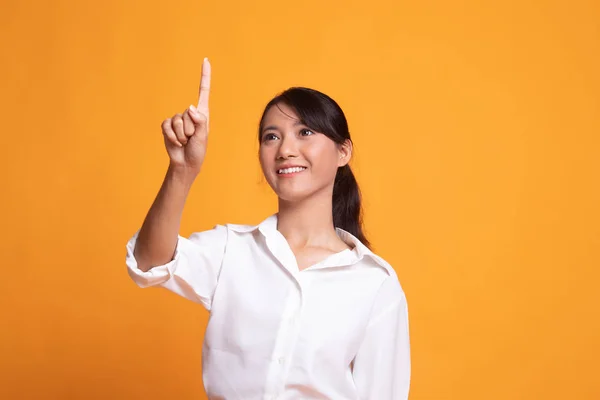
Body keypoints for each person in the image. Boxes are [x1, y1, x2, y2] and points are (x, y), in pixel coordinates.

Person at [125, 58, 411, 399]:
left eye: (305, 132)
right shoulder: (231, 250)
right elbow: (149, 264)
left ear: (343, 152)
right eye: (271, 137)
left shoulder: (374, 283)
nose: (286, 150)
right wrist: (182, 170)